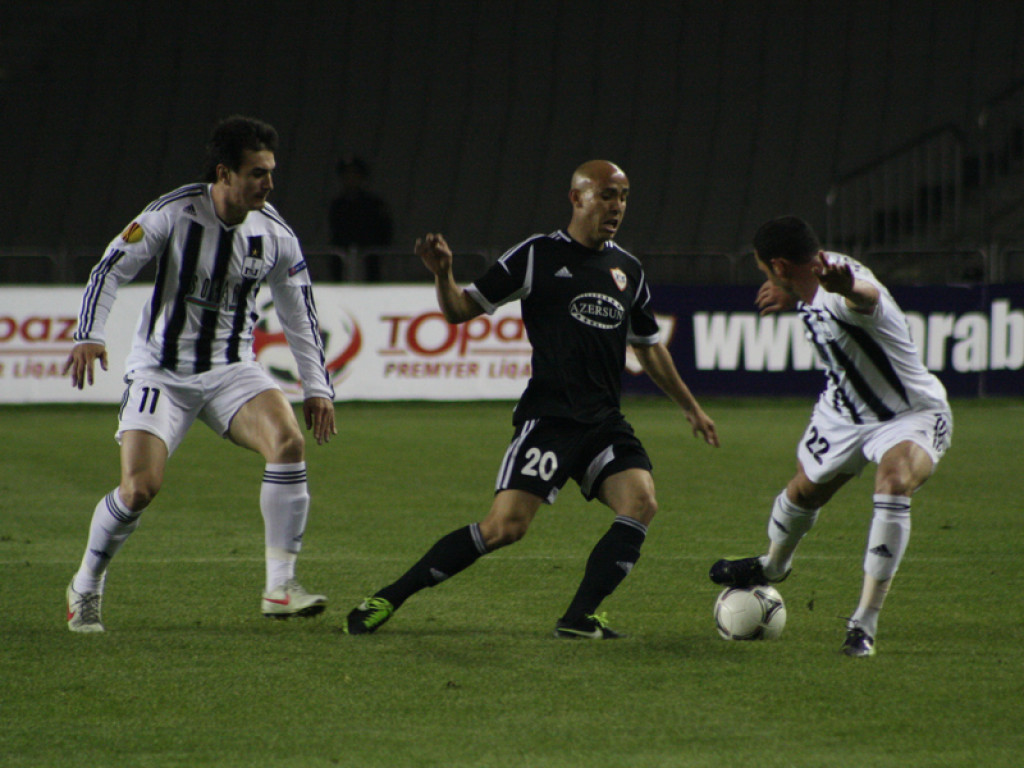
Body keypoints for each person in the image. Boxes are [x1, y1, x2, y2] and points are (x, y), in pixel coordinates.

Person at [344, 160, 719, 639]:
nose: (617, 207)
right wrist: (444, 274)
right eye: (607, 195)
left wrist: (691, 407)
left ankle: (578, 619)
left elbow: (648, 346)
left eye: (624, 197)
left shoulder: (628, 269)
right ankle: (388, 597)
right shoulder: (537, 255)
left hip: (604, 422)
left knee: (641, 502)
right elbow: (461, 309)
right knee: (505, 528)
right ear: (577, 198)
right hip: (551, 420)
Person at [62, 115, 337, 633]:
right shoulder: (173, 213)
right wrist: (88, 333)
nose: (269, 183)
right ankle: (87, 583)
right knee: (139, 490)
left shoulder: (275, 234)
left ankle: (280, 587)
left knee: (288, 443)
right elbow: (111, 268)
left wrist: (318, 387)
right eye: (257, 173)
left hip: (232, 369)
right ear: (224, 173)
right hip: (161, 373)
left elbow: (299, 314)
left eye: (271, 171)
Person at [709, 216, 952, 657]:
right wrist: (792, 295)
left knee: (893, 482)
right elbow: (823, 296)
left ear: (779, 266)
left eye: (764, 270)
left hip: (908, 414)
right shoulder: (815, 275)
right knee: (803, 493)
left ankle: (864, 623)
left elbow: (866, 297)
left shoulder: (841, 291)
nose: (765, 278)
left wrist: (848, 289)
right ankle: (773, 567)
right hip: (842, 413)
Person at [327, 155, 393, 281]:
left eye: (354, 174)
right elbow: (335, 231)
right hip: (343, 258)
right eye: (346, 175)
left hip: (370, 258)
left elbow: (385, 231)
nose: (350, 179)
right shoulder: (337, 205)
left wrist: (377, 249)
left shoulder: (374, 204)